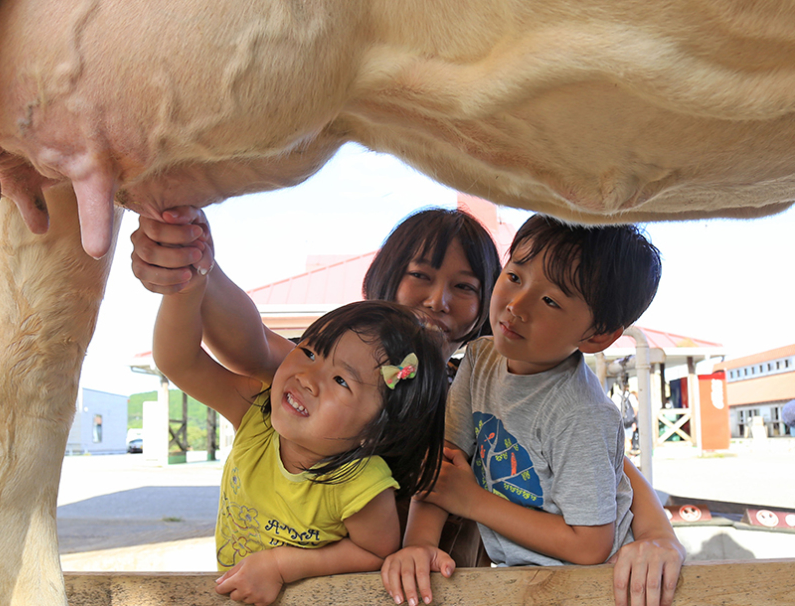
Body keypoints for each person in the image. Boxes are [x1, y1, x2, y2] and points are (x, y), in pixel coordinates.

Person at [131, 205, 686, 606]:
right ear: (385, 278)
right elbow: (250, 348)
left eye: (465, 286)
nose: (437, 299)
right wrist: (198, 264)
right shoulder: (331, 377)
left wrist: (657, 536)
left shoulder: (479, 379)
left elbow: (606, 461)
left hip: (441, 585)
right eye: (420, 276)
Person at [383, 215, 663, 603]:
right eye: (515, 276)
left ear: (597, 336)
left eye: (550, 300)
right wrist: (418, 544)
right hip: (523, 577)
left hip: (597, 585)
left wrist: (473, 501)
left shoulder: (580, 414)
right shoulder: (481, 359)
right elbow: (444, 469)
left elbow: (590, 545)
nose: (516, 305)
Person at [153, 273, 449, 605]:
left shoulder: (361, 483)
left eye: (340, 380)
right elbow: (178, 362)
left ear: (379, 430)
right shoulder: (257, 415)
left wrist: (281, 566)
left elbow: (376, 552)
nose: (308, 378)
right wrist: (184, 288)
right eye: (309, 352)